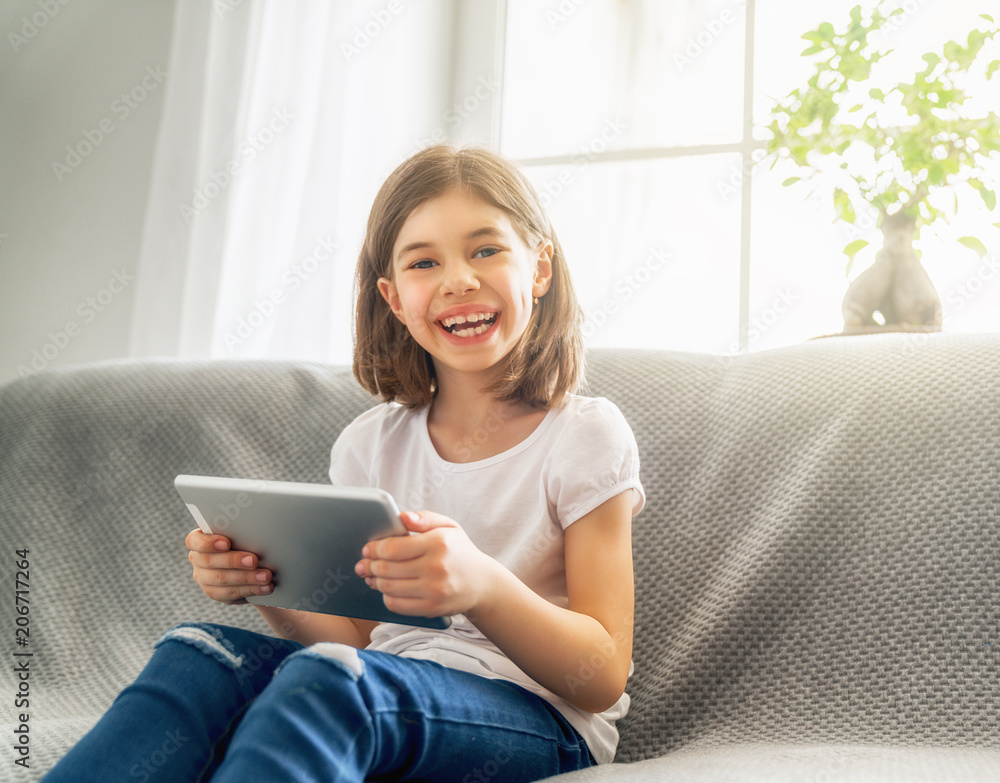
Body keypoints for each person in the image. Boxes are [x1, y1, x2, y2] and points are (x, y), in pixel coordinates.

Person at [42, 145, 644, 782]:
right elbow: (356, 643)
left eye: (487, 249)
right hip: (380, 685)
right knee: (200, 654)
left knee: (333, 685)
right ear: (392, 295)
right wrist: (270, 582)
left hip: (539, 719)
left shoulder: (584, 434)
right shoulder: (368, 446)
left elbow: (601, 674)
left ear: (540, 268)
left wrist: (484, 586)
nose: (459, 279)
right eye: (423, 261)